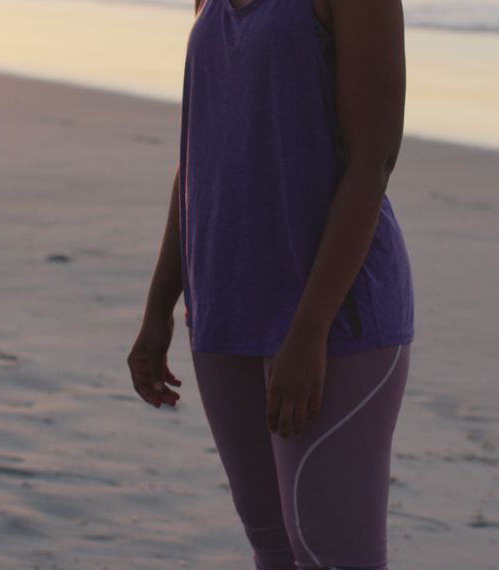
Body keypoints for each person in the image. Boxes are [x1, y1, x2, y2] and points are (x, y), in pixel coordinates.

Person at [127, 0, 413, 567]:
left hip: (336, 316)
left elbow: (373, 161)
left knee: (330, 554)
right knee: (272, 543)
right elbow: (201, 151)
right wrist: (160, 306)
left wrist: (309, 330)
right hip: (224, 304)